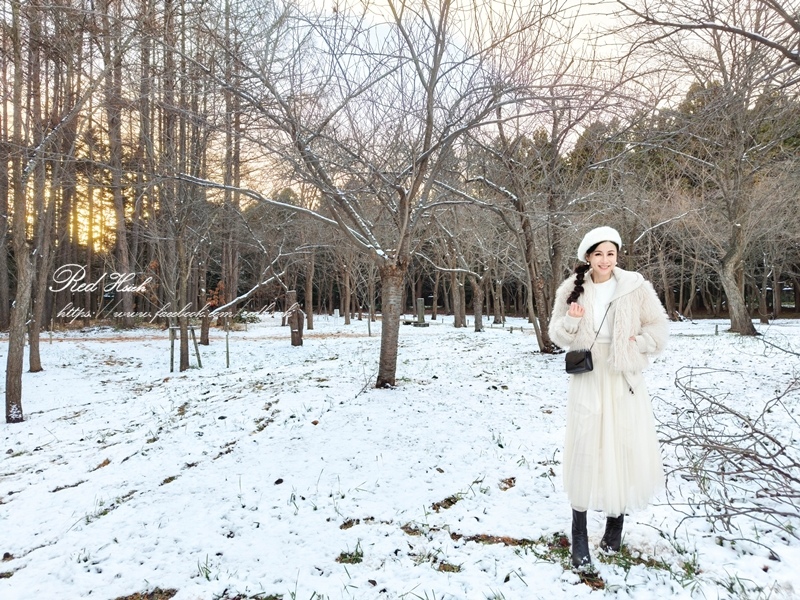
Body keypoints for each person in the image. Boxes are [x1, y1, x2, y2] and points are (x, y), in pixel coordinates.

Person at [548, 226, 669, 569]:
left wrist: (638, 343)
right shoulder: (572, 289)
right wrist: (571, 323)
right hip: (588, 376)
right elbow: (556, 333)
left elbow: (659, 329)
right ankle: (580, 537)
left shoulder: (635, 287)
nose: (605, 260)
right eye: (598, 254)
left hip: (623, 378)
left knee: (623, 447)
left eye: (610, 254)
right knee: (586, 448)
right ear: (588, 257)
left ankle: (615, 528)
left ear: (617, 256)